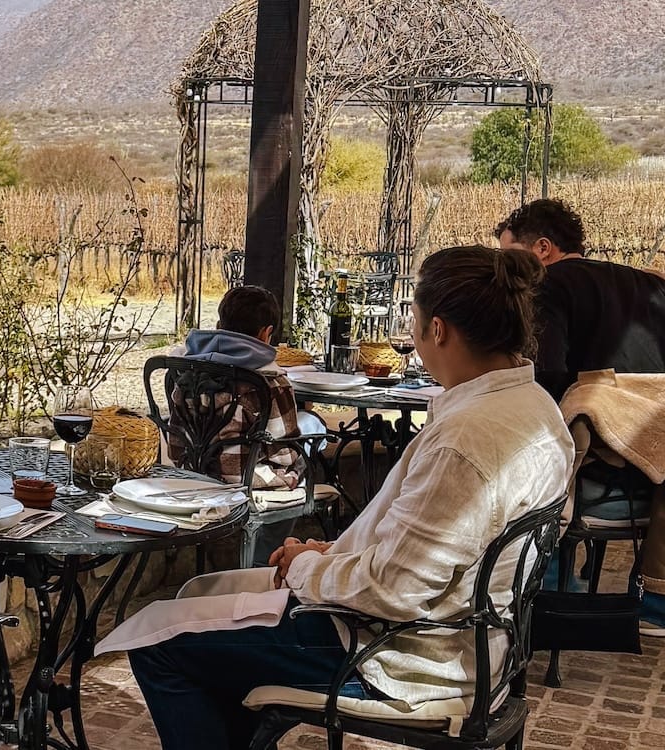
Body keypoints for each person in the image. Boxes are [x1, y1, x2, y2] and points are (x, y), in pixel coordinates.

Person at [123, 247, 573, 750]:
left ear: (439, 330)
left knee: (158, 644)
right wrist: (330, 556)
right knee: (203, 601)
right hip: (476, 643)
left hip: (401, 656)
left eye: (416, 324)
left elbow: (395, 589)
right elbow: (428, 551)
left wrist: (303, 569)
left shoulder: (465, 440)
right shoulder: (537, 409)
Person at [497, 198, 665, 635]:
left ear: (542, 250)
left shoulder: (549, 285)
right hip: (654, 470)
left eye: (507, 257)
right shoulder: (647, 285)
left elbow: (547, 379)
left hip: (598, 470)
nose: (502, 272)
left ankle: (541, 589)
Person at [168, 285, 303, 565]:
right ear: (266, 333)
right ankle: (261, 561)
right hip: (241, 480)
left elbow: (176, 438)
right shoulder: (269, 381)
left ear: (220, 325)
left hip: (193, 470)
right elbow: (284, 453)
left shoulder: (187, 368)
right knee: (304, 461)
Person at [495, 198, 665, 401]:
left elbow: (546, 374)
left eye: (509, 256)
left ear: (543, 248)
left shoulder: (544, 286)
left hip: (594, 423)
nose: (505, 267)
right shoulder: (651, 283)